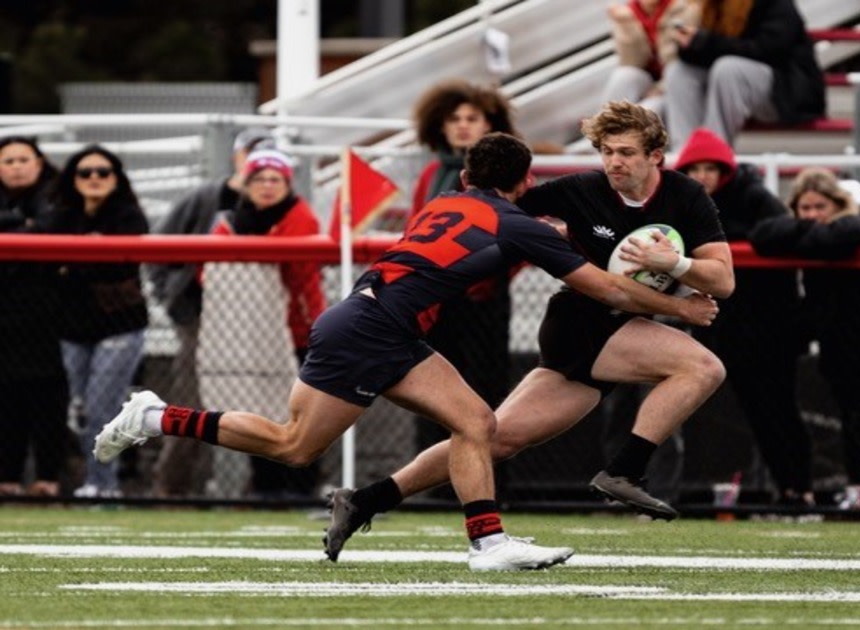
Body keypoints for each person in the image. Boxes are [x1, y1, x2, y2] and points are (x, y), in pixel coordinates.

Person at [94, 131, 720, 571]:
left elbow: (480, 244)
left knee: (472, 423)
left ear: (467, 177)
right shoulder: (518, 222)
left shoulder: (444, 200)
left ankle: (486, 543)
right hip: (374, 331)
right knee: (295, 446)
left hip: (369, 321)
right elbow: (606, 285)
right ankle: (155, 416)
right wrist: (684, 307)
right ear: (525, 182)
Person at [322, 101, 732, 562]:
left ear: (656, 155)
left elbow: (723, 281)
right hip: (580, 323)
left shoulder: (687, 196)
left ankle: (363, 501)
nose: (614, 162)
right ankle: (625, 471)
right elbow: (495, 204)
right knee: (701, 367)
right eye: (606, 152)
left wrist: (673, 264)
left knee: (496, 438)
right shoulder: (580, 190)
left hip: (623, 328)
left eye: (627, 152)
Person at [673, 127, 812, 505]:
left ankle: (800, 487)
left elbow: (778, 231)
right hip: (725, 328)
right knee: (751, 412)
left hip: (770, 327)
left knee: (779, 408)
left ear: (724, 171)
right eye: (695, 169)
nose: (702, 176)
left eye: (709, 168)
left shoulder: (752, 196)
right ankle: (782, 489)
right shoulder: (685, 204)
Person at [751, 168, 860, 510]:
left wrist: (801, 233)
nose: (812, 215)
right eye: (804, 209)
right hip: (837, 345)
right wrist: (806, 230)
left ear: (839, 203)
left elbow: (844, 236)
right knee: (851, 419)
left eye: (820, 206)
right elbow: (764, 235)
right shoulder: (813, 229)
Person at [147, 126, 274, 497]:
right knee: (192, 403)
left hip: (258, 320)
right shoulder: (207, 197)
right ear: (237, 157)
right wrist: (173, 301)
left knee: (263, 404)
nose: (260, 167)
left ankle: (260, 491)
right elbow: (161, 247)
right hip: (201, 317)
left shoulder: (278, 202)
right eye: (252, 153)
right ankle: (172, 489)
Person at [207, 148, 327, 499]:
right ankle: (266, 485)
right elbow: (208, 271)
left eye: (276, 179)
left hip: (297, 331)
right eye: (259, 178)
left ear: (288, 184)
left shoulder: (299, 216)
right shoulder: (231, 220)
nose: (268, 186)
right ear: (246, 183)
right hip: (250, 332)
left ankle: (302, 488)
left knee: (299, 414)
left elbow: (297, 272)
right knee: (257, 406)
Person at [410, 79, 516, 472]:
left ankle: (491, 482)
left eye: (472, 118)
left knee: (487, 394)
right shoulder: (432, 173)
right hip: (435, 301)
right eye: (455, 118)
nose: (463, 126)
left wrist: (484, 273)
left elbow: (522, 232)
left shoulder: (508, 173)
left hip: (482, 299)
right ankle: (430, 482)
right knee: (428, 392)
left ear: (491, 123)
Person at [50, 145, 149, 498]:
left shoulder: (128, 215)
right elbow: (49, 267)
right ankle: (96, 479)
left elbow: (119, 265)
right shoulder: (61, 215)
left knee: (101, 405)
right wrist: (87, 255)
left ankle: (104, 485)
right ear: (72, 178)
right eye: (85, 172)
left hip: (120, 325)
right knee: (77, 408)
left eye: (103, 172)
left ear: (116, 178)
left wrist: (73, 263)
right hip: (72, 328)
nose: (94, 178)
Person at [0, 136, 69, 497]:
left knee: (48, 403)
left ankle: (48, 479)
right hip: (5, 320)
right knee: (6, 401)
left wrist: (23, 226)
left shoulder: (58, 195)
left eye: (23, 159)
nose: (15, 167)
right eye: (8, 161)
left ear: (39, 163)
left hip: (50, 320)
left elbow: (50, 226)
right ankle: (7, 479)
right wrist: (23, 222)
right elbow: (35, 227)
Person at [663, 0, 825, 150]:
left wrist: (708, 42)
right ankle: (686, 155)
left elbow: (770, 50)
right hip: (735, 87)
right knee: (679, 72)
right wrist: (690, 45)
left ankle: (714, 156)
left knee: (728, 69)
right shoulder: (711, 5)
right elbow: (710, 51)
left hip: (786, 91)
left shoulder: (775, 3)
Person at [601, 0, 698, 111]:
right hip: (649, 82)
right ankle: (603, 124)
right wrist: (627, 23)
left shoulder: (682, 8)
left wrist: (660, 88)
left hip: (676, 82)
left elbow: (679, 62)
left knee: (649, 108)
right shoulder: (627, 13)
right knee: (624, 75)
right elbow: (632, 63)